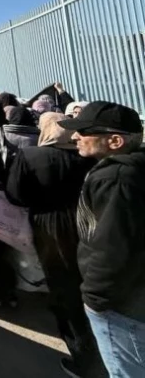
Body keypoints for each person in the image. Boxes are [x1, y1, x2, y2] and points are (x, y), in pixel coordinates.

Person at [6, 112, 106, 378]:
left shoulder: (31, 156)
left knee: (64, 288)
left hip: (49, 226)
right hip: (89, 224)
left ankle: (85, 359)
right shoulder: (88, 157)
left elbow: (15, 195)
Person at [60, 102, 145, 378]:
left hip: (119, 306)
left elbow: (114, 249)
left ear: (115, 140)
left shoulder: (117, 178)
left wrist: (95, 298)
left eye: (83, 131)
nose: (75, 137)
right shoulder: (129, 170)